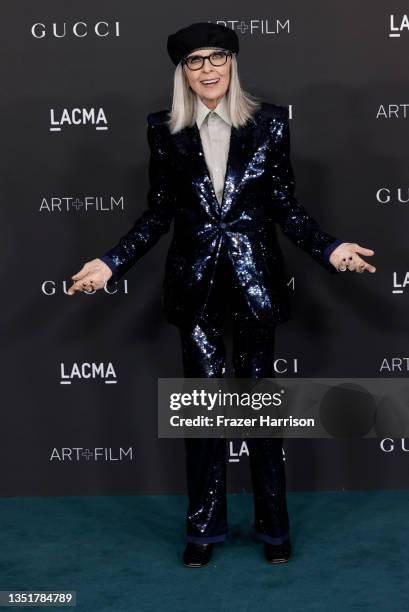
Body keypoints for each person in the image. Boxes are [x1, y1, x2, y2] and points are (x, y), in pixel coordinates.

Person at [68, 22, 376, 567]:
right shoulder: (163, 130)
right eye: (194, 62)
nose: (208, 69)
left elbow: (285, 205)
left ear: (233, 63)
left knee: (259, 413)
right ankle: (203, 531)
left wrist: (328, 248)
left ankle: (274, 529)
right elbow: (159, 211)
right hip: (195, 284)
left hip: (256, 280)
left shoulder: (271, 123)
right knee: (204, 415)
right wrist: (111, 262)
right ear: (182, 73)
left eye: (217, 58)